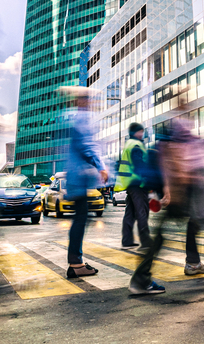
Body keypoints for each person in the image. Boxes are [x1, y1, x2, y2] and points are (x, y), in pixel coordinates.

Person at [130, 96, 204, 295]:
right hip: (180, 190)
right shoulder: (175, 130)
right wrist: (169, 190)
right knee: (164, 233)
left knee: (190, 225)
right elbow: (169, 161)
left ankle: (192, 263)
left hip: (185, 188)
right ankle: (141, 279)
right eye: (186, 104)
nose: (190, 108)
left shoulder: (181, 129)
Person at [63, 87, 108, 278]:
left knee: (80, 219)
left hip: (75, 176)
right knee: (80, 219)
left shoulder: (70, 117)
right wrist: (101, 166)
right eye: (87, 99)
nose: (90, 102)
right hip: (79, 177)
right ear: (81, 101)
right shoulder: (81, 119)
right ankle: (76, 263)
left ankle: (76, 261)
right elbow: (87, 146)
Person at [115, 122, 153, 250]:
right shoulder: (136, 145)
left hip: (130, 183)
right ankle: (146, 241)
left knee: (130, 212)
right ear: (135, 132)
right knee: (142, 211)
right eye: (140, 132)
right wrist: (147, 179)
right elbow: (139, 165)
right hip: (137, 183)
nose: (142, 134)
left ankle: (127, 240)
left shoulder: (128, 144)